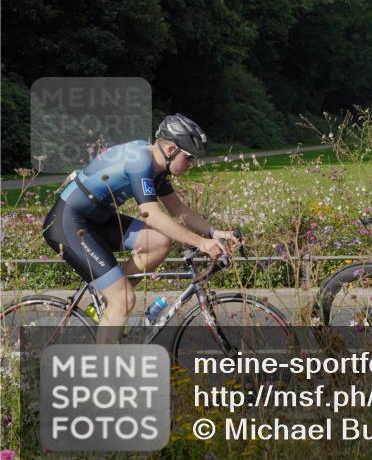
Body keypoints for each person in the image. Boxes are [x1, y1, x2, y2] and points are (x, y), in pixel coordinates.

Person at [42, 114, 238, 343]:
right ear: (171, 149)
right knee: (123, 299)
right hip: (67, 223)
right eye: (189, 157)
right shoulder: (140, 160)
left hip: (97, 221)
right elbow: (151, 215)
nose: (192, 164)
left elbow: (177, 209)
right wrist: (201, 242)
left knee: (159, 242)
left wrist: (215, 233)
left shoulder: (158, 168)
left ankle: (108, 302)